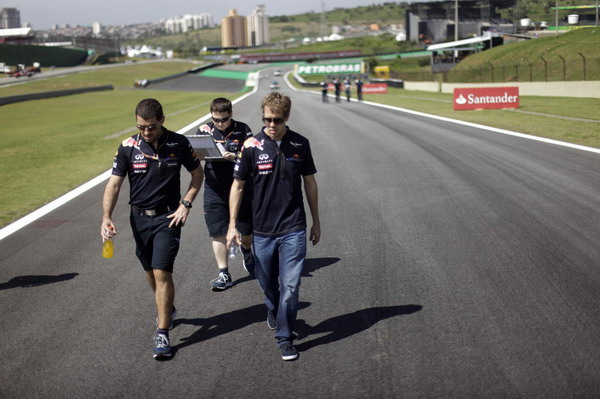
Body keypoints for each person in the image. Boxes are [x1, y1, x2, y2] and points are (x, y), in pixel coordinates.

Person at [100, 98, 203, 360]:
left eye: (152, 127)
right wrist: (106, 216)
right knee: (149, 270)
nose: (146, 132)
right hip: (139, 220)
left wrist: (186, 205)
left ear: (163, 121)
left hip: (169, 217)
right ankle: (168, 307)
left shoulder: (179, 143)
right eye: (141, 127)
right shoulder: (127, 147)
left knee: (161, 270)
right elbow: (114, 185)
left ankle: (162, 331)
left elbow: (197, 174)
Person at [227, 92, 321, 361]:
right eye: (266, 119)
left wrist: (316, 221)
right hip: (262, 231)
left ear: (286, 117)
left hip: (294, 228)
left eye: (276, 120)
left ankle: (285, 337)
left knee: (290, 287)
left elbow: (310, 184)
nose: (270, 124)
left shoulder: (300, 144)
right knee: (267, 283)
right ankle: (273, 306)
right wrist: (233, 225)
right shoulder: (251, 146)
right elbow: (238, 185)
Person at [197, 98, 255, 291]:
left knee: (246, 232)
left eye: (223, 119)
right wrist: (197, 155)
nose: (219, 123)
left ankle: (246, 250)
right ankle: (224, 273)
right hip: (214, 188)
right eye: (215, 119)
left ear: (231, 115)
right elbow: (195, 155)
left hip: (240, 187)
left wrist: (236, 156)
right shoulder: (204, 130)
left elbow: (252, 156)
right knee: (218, 232)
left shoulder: (243, 129)